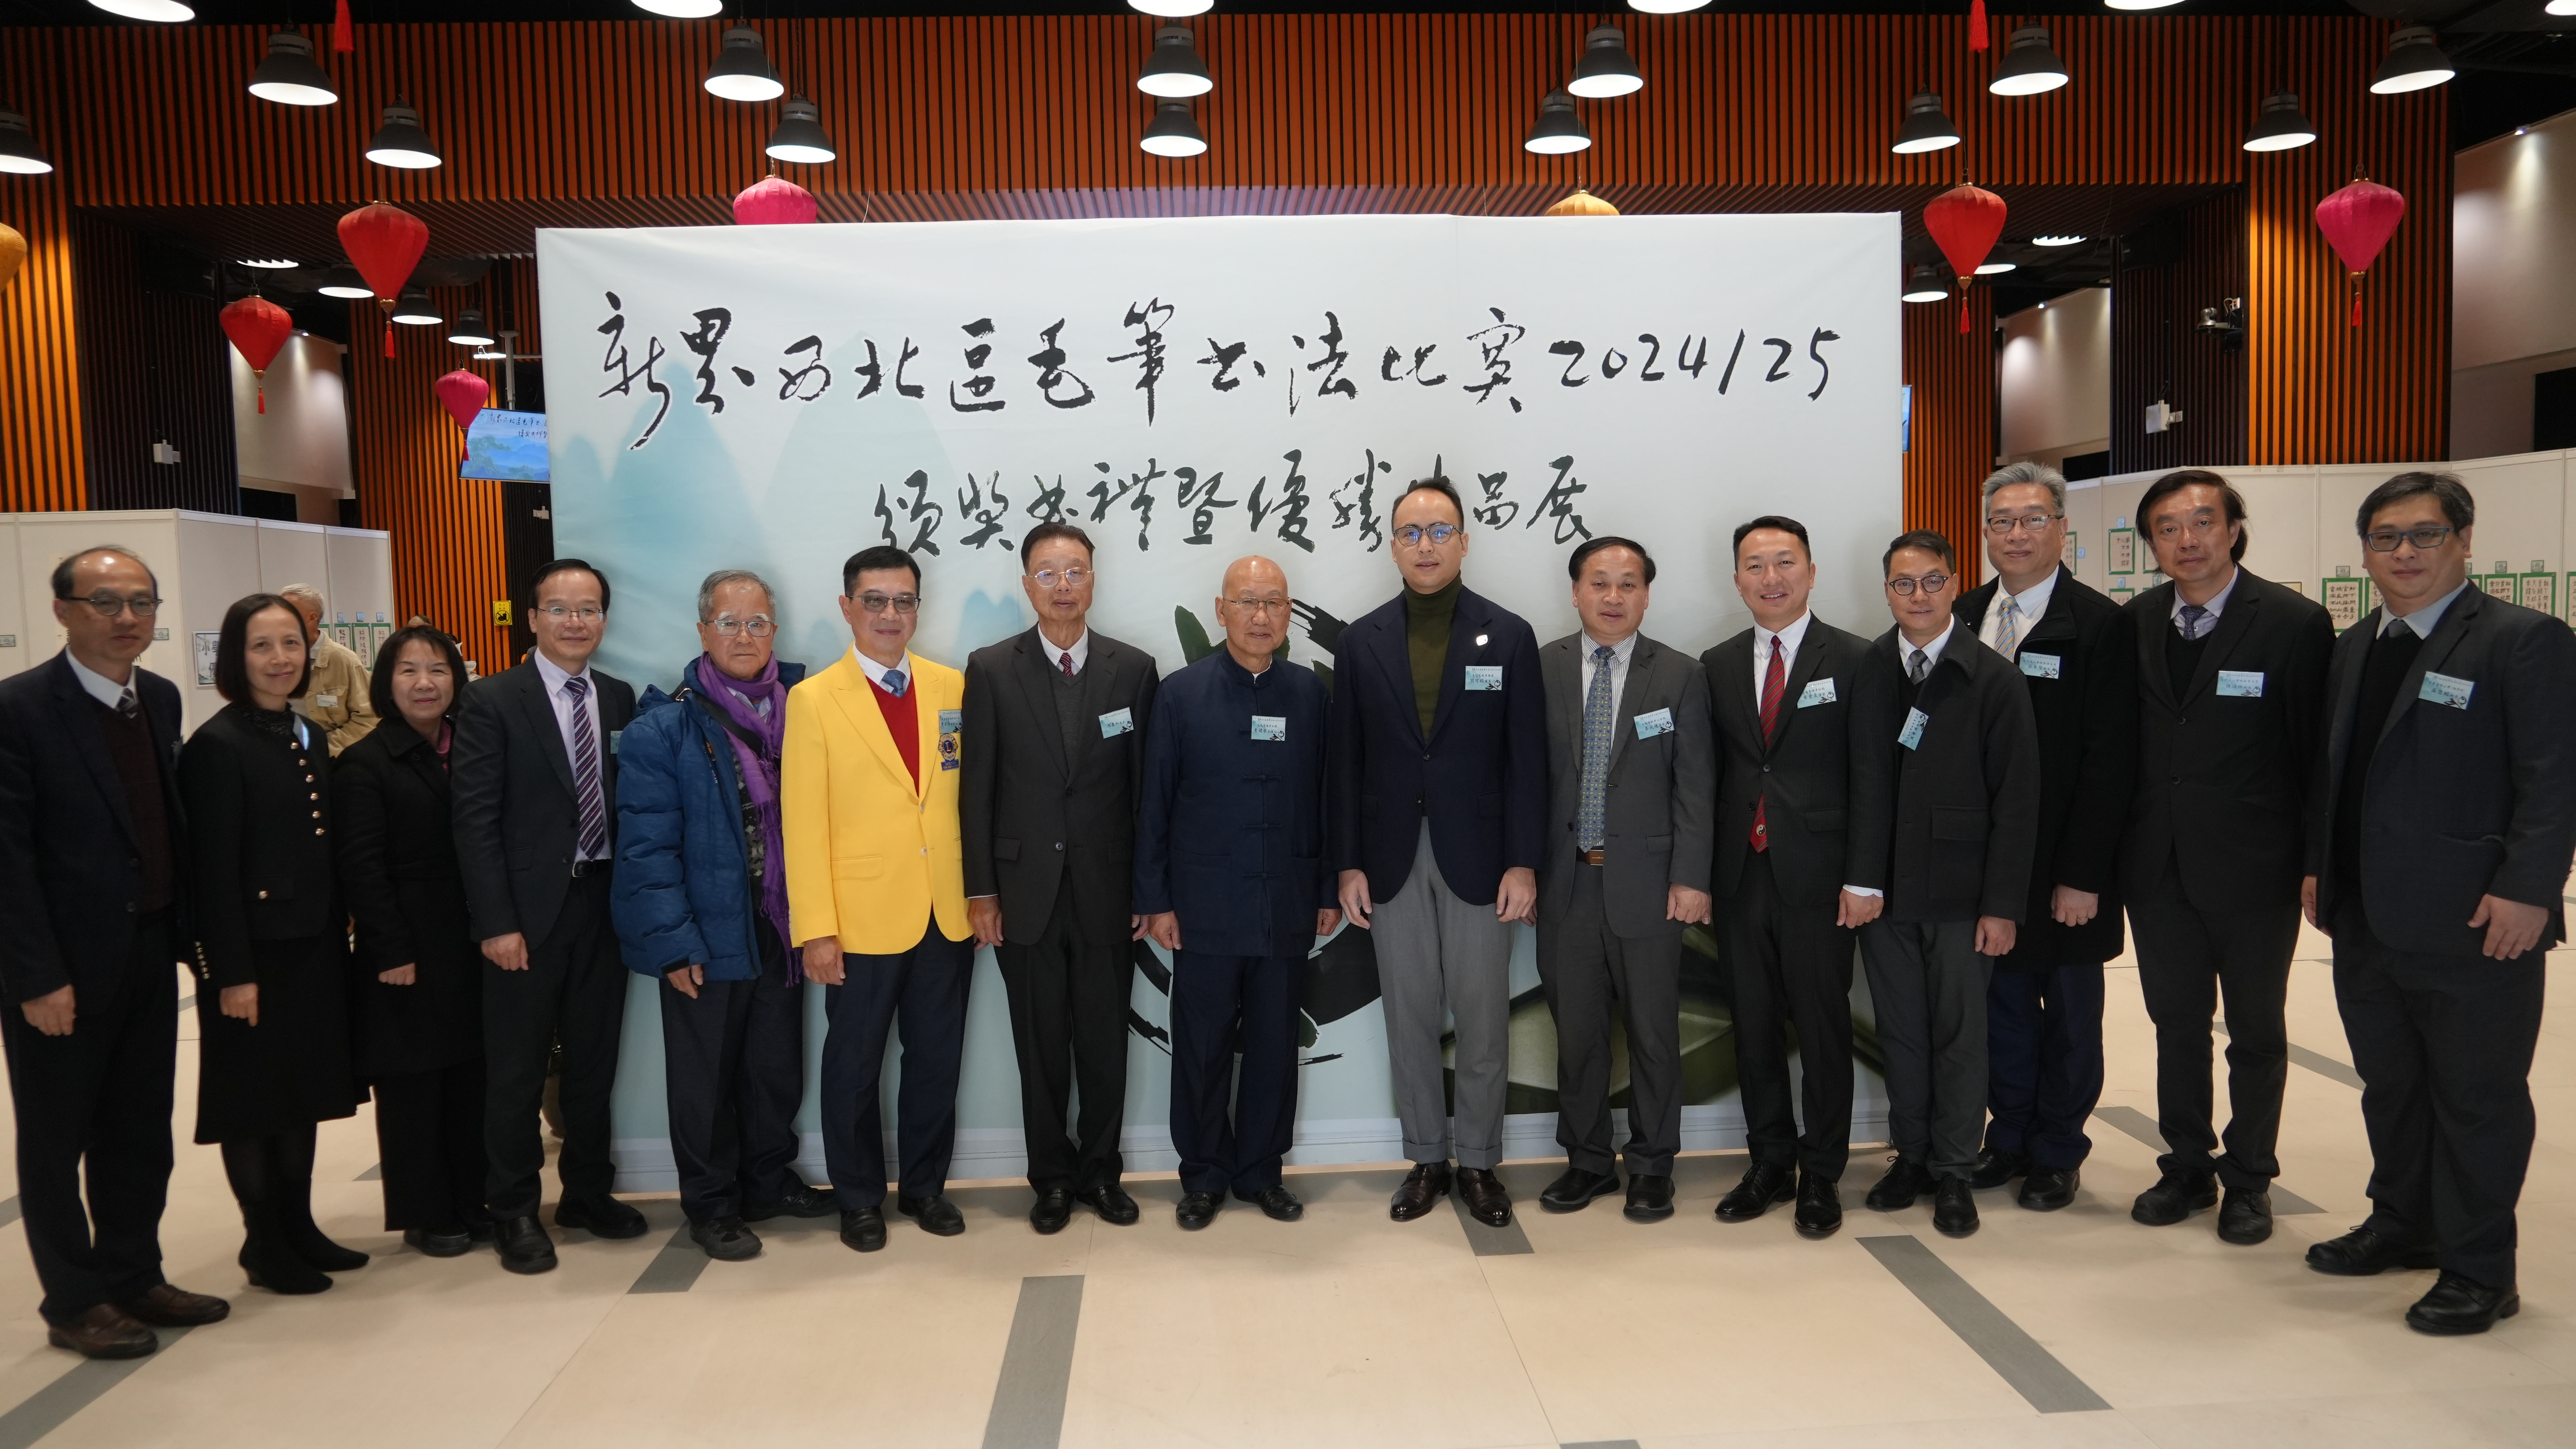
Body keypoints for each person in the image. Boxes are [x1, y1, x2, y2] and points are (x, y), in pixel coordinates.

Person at [2301, 472, 2576, 1335]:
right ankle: (2403, 1223)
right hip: (2365, 914)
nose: (2405, 552)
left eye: (2425, 534)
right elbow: (2336, 773)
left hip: (2478, 921)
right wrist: (2319, 868)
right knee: (2392, 1085)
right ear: (2365, 552)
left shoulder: (2521, 640)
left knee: (2476, 1097)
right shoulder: (2357, 643)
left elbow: (2553, 779)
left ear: (2464, 541)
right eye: (2386, 538)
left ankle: (2480, 1269)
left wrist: (2530, 889)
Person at [0, 546, 229, 1358]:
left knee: (138, 1131)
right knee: (56, 1140)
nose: (126, 618)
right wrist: (35, 976)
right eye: (105, 602)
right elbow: (8, 859)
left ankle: (134, 1274)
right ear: (62, 610)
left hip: (147, 951)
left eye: (140, 602)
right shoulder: (20, 709)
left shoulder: (157, 699)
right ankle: (74, 1300)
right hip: (61, 970)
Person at [2123, 470, 2332, 1247]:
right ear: (2152, 544)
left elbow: (2317, 757)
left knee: (2256, 1031)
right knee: (2175, 1024)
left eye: (2203, 522)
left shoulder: (2293, 623)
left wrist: (2316, 862)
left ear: (2234, 529)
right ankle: (2185, 1164)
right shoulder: (2136, 621)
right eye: (2168, 528)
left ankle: (2249, 1177)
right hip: (2158, 866)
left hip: (2256, 868)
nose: (2188, 540)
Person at [1330, 477, 1545, 1229]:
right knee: (1410, 1015)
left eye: (1440, 531)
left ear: (1464, 541)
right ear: (1393, 546)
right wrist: (1348, 862)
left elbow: (1526, 759)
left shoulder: (1508, 634)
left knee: (1483, 1017)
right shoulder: (1361, 640)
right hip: (1389, 857)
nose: (1426, 546)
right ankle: (1426, 1157)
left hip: (1482, 857)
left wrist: (1523, 861)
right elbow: (1346, 761)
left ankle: (1479, 1163)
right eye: (1411, 533)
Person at [612, 570, 836, 1263]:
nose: (745, 636)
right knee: (703, 1077)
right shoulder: (665, 727)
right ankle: (711, 1204)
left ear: (775, 632)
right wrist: (674, 944)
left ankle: (768, 1182)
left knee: (774, 1066)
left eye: (758, 623)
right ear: (703, 630)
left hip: (781, 925)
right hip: (705, 933)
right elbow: (647, 848)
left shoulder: (806, 710)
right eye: (730, 623)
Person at [962, 523, 1161, 1234]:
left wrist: (1149, 890)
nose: (1063, 586)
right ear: (1027, 585)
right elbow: (975, 790)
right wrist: (982, 891)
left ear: (1093, 580)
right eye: (1047, 573)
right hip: (1024, 895)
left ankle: (1101, 1174)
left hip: (1109, 892)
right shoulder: (991, 669)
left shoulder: (1132, 669)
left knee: (1105, 1044)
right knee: (1039, 1045)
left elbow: (1145, 795)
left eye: (1075, 571)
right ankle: (1050, 1178)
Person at [452, 559, 646, 1274]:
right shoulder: (491, 700)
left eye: (588, 609)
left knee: (594, 1064)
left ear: (604, 619)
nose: (575, 621)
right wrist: (495, 922)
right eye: (559, 609)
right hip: (525, 918)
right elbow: (474, 822)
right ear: (532, 618)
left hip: (603, 906)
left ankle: (587, 1194)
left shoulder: (618, 698)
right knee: (517, 1072)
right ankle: (513, 1210)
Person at [1135, 556, 1340, 1230]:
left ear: (1288, 614)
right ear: (1221, 611)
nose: (1261, 616)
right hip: (1203, 907)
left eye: (1274, 602)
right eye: (1247, 602)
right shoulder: (1181, 694)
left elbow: (1326, 801)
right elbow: (1154, 804)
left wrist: (1325, 887)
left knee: (1276, 1046)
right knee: (1201, 1046)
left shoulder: (1309, 695)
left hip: (1286, 902)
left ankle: (1260, 1172)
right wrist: (1156, 900)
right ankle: (1202, 1175)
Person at [1953, 465, 2137, 1213]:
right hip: (1986, 865)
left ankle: (2059, 1149)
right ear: (1985, 533)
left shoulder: (2101, 625)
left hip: (2066, 867)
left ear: (2062, 528)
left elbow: (2111, 760)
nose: (2017, 534)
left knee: (2068, 1017)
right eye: (2002, 521)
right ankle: (2010, 1137)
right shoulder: (1964, 613)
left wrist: (2084, 873)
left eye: (2033, 519)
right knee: (1999, 1011)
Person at [1704, 516, 1894, 1239]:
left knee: (1822, 1029)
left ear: (1811, 573)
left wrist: (1865, 878)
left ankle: (1822, 1173)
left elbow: (1873, 776)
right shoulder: (1717, 663)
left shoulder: (1855, 658)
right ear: (1737, 581)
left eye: (1785, 562)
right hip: (1740, 876)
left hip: (1822, 878)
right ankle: (1768, 1163)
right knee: (1752, 1030)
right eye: (1756, 565)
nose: (1772, 577)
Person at [785, 546, 976, 1253]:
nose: (890, 614)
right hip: (857, 921)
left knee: (936, 1062)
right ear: (847, 607)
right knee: (853, 1066)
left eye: (903, 601)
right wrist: (817, 928)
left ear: (918, 608)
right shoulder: (814, 700)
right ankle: (859, 1198)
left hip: (944, 912)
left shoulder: (951, 687)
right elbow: (803, 825)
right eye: (875, 601)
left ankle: (925, 1189)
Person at [181, 593, 369, 1295]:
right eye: (262, 646)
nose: (280, 658)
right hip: (253, 956)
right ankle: (263, 1241)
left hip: (311, 945)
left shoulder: (306, 732)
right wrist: (230, 972)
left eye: (291, 643)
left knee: (303, 1089)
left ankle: (299, 1224)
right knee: (253, 1099)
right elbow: (212, 873)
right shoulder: (217, 745)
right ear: (236, 656)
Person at [1855, 531, 2040, 1240]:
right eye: (1903, 583)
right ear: (1887, 591)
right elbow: (1861, 782)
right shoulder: (1871, 668)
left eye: (1932, 580)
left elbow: (2018, 802)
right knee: (1901, 1032)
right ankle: (1913, 1157)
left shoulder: (1992, 677)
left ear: (1955, 585)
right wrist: (1860, 882)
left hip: (1963, 896)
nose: (1919, 595)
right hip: (1887, 894)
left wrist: (2002, 905)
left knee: (1961, 1036)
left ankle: (1957, 1169)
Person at [1533, 537, 1715, 1223]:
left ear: (1646, 595)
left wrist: (1691, 876)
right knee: (1576, 1036)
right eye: (1600, 583)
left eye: (1628, 584)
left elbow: (1696, 786)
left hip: (1651, 884)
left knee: (1653, 1034)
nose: (1614, 597)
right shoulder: (1542, 667)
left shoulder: (1681, 674)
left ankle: (1651, 1165)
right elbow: (1521, 778)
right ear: (1575, 591)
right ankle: (1587, 1161)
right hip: (1565, 884)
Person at [335, 626, 490, 1258]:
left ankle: (472, 1198)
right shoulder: (365, 763)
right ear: (385, 682)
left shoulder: (469, 747)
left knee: (468, 1077)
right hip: (405, 950)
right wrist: (390, 949)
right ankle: (425, 1212)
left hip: (467, 942)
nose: (425, 683)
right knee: (413, 1087)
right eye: (408, 671)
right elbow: (360, 869)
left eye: (438, 670)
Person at [280, 583, 380, 756]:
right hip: (284, 753)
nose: (280, 621)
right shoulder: (277, 660)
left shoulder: (343, 660)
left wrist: (322, 747)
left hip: (331, 757)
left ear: (312, 618)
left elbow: (368, 718)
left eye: (287, 614)